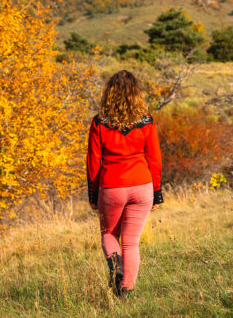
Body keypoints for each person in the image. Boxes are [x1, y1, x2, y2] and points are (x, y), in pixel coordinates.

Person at [86, 70, 163, 298]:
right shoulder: (147, 121)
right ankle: (125, 292)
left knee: (109, 234)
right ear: (136, 94)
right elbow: (155, 158)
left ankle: (115, 265)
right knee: (131, 243)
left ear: (109, 93)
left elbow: (93, 162)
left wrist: (93, 194)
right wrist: (157, 193)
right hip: (142, 185)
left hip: (111, 186)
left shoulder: (99, 122)